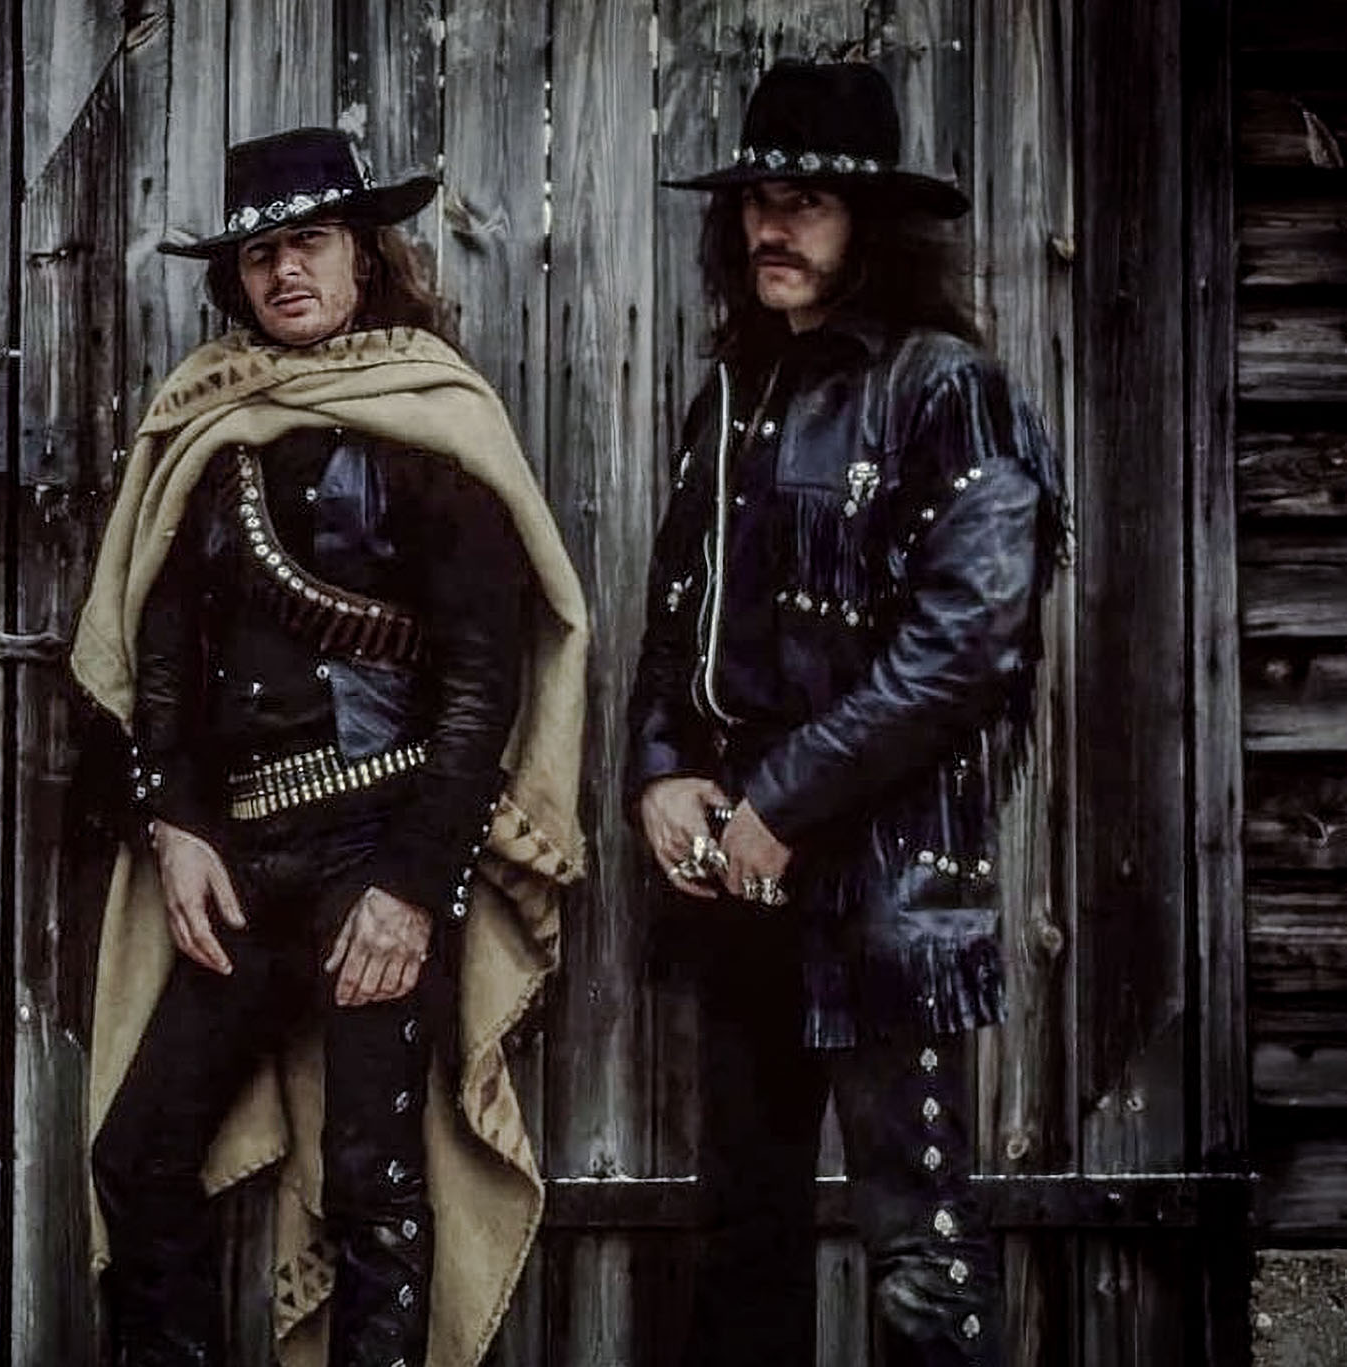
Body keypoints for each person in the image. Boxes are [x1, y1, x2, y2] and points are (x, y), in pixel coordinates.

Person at [72, 127, 589, 1367]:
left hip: (379, 849)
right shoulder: (205, 422)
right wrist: (173, 824)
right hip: (239, 862)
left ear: (364, 252)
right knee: (136, 1154)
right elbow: (160, 661)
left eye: (307, 242)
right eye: (259, 254)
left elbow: (481, 688)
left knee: (372, 1180)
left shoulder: (435, 419)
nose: (283, 271)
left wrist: (412, 886)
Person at [630, 60, 1069, 1367]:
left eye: (806, 202)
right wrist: (659, 767)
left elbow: (966, 646)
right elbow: (674, 613)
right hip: (736, 870)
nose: (772, 225)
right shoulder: (731, 394)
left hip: (885, 873)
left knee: (919, 1246)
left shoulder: (945, 389)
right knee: (740, 1227)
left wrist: (785, 798)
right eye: (757, 199)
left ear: (868, 223)